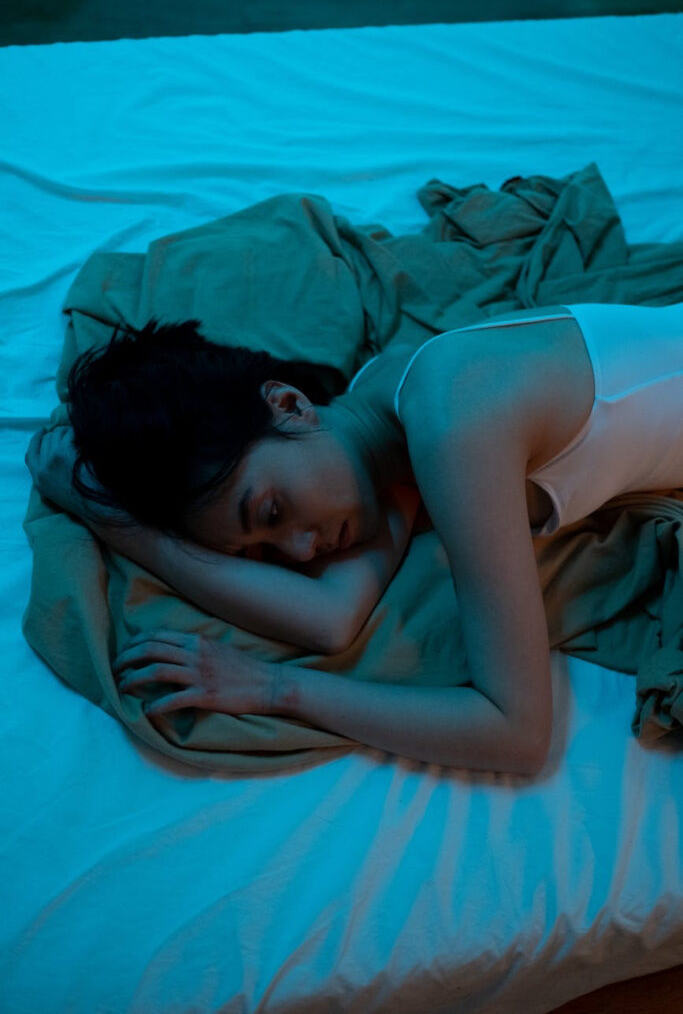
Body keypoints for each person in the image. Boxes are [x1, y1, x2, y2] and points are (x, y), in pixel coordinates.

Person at [26, 302, 683, 773]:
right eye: (259, 551)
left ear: (289, 404)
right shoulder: (377, 417)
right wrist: (114, 520)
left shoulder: (454, 431)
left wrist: (277, 689)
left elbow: (516, 733)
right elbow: (330, 619)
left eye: (272, 511)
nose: (299, 551)